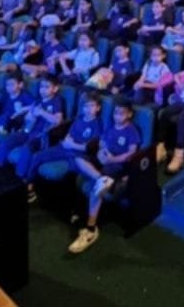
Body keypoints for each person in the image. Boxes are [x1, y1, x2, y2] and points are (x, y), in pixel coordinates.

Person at [70, 97, 142, 254]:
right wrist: (102, 152)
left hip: (117, 166)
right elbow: (102, 142)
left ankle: (91, 229)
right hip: (103, 161)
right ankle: (100, 178)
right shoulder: (110, 125)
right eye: (116, 113)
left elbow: (132, 153)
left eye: (121, 114)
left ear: (129, 114)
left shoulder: (132, 131)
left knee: (97, 190)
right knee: (78, 159)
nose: (117, 116)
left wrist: (112, 159)